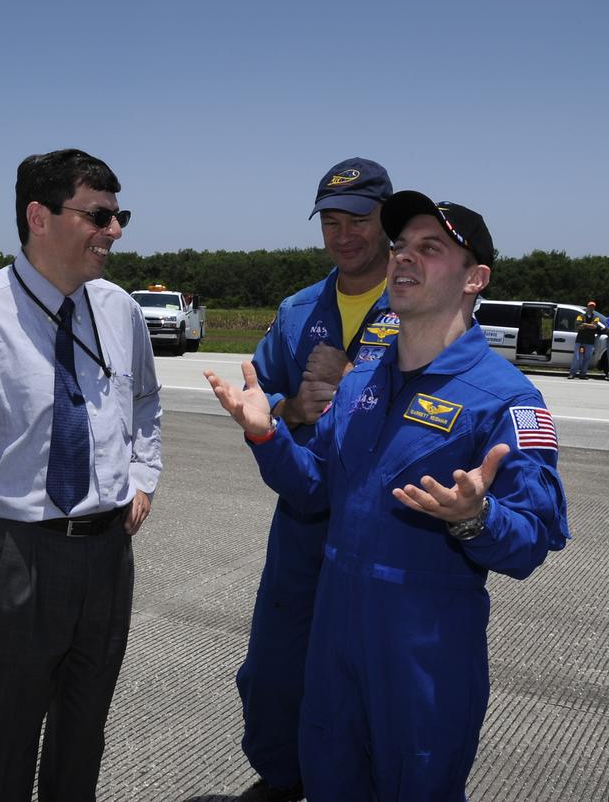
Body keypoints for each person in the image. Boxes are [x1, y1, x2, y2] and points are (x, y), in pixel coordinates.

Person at [206, 191, 569, 801]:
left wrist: (477, 517)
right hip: (333, 637)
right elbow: (314, 489)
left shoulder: (508, 398)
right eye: (400, 245)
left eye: (431, 249)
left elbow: (533, 540)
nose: (404, 259)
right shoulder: (360, 384)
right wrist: (266, 434)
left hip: (421, 650)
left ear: (475, 278)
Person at [0, 148, 163, 802]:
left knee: (83, 739)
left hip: (109, 557)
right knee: (4, 746)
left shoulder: (119, 311)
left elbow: (144, 401)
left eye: (120, 216)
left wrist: (142, 474)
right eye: (99, 215)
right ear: (39, 216)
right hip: (16, 557)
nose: (114, 231)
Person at [235, 158, 397, 802]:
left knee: (369, 674)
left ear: (388, 219)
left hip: (388, 523)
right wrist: (291, 410)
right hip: (304, 516)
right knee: (275, 667)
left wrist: (359, 383)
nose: (344, 233)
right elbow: (264, 395)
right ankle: (282, 779)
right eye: (331, 221)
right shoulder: (299, 310)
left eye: (358, 218)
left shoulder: (420, 300)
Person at [568, 300, 601, 379]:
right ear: (587, 307)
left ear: (594, 308)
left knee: (587, 358)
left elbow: (595, 326)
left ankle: (583, 374)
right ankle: (572, 373)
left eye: (593, 306)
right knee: (577, 358)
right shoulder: (580, 316)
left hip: (590, 341)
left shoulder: (596, 318)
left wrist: (584, 324)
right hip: (580, 341)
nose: (591, 308)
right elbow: (578, 326)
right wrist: (589, 325)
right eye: (590, 306)